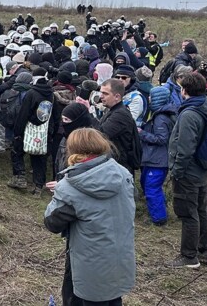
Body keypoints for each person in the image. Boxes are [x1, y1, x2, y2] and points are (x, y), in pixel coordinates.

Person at [44, 128, 136, 306]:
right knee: (113, 299)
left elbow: (51, 222)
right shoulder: (124, 174)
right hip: (120, 258)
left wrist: (61, 193)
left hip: (89, 267)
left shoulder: (70, 186)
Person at [166, 72, 207, 268]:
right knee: (202, 210)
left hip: (189, 171)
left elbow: (185, 148)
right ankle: (204, 250)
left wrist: (177, 171)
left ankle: (189, 256)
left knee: (188, 213)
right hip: (203, 169)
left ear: (184, 90)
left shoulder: (189, 114)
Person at [138, 86, 177, 226]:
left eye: (151, 96)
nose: (148, 98)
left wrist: (141, 133)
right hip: (153, 159)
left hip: (158, 160)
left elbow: (161, 139)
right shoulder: (161, 114)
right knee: (148, 185)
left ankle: (159, 219)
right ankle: (160, 209)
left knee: (152, 187)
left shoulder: (160, 118)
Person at [97, 79, 142, 176]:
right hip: (114, 166)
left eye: (105, 93)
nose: (101, 96)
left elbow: (99, 135)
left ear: (117, 96)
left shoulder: (120, 114)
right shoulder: (113, 110)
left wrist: (86, 115)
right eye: (101, 93)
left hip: (119, 170)